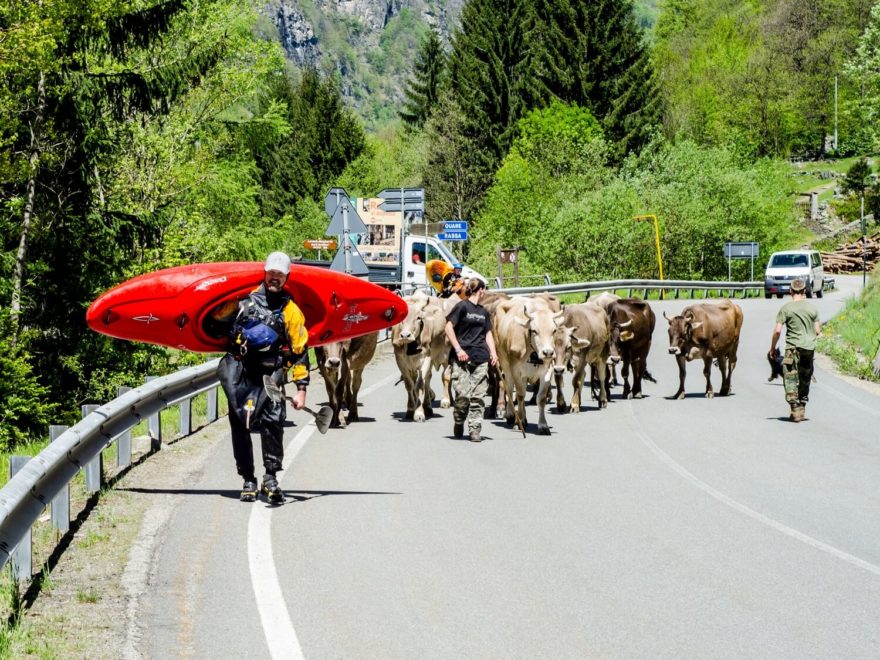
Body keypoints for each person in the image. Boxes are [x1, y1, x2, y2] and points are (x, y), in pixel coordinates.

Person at [216, 252, 310, 502]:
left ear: (287, 277)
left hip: (272, 374)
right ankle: (248, 479)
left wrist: (301, 388)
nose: (275, 278)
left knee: (273, 422)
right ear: (265, 273)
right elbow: (215, 326)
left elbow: (300, 350)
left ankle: (270, 478)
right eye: (271, 274)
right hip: (242, 372)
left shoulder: (291, 311)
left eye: (280, 275)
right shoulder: (242, 302)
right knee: (241, 424)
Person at [444, 278, 499, 442]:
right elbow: (448, 327)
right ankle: (459, 420)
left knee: (478, 397)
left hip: (481, 357)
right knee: (463, 396)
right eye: (484, 289)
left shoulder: (483, 312)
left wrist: (493, 353)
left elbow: (488, 333)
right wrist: (458, 349)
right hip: (462, 358)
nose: (484, 292)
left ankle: (475, 430)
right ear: (481, 290)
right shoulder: (462, 306)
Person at [768, 277, 821, 423]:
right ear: (804, 291)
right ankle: (802, 406)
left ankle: (795, 407)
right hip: (809, 349)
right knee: (805, 376)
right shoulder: (812, 308)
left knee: (790, 377)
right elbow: (817, 330)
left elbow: (777, 331)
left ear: (790, 291)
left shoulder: (786, 309)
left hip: (793, 348)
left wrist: (772, 348)